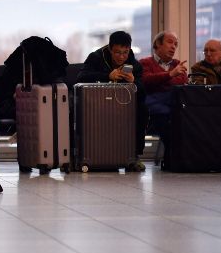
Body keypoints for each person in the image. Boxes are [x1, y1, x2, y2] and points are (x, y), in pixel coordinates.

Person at [77, 30, 147, 172]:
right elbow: (81, 77)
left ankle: (134, 155)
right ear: (109, 49)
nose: (121, 57)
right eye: (117, 52)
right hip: (98, 104)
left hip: (124, 105)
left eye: (125, 52)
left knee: (143, 109)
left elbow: (143, 92)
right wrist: (107, 75)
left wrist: (134, 82)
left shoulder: (133, 63)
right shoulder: (96, 57)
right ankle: (93, 153)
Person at [138, 31, 188, 151]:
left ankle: (175, 157)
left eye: (176, 44)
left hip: (173, 105)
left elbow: (181, 82)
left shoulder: (177, 64)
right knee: (167, 120)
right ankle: (172, 157)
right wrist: (170, 74)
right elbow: (146, 81)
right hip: (155, 107)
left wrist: (160, 82)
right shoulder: (145, 63)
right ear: (158, 44)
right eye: (170, 42)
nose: (173, 47)